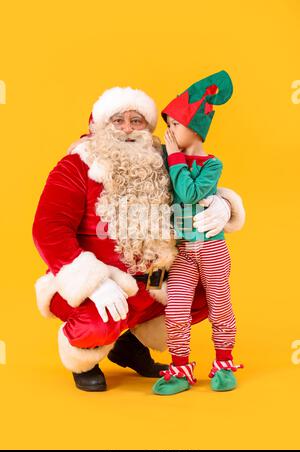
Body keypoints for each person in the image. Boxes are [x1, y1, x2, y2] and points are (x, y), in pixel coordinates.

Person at [32, 86, 246, 392]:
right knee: (98, 322)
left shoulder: (160, 161)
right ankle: (85, 359)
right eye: (118, 120)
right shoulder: (76, 167)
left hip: (153, 280)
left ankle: (129, 345)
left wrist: (223, 204)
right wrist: (94, 282)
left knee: (202, 291)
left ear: (148, 128)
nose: (128, 129)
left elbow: (196, 187)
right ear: (99, 126)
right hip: (100, 285)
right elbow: (48, 229)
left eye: (137, 121)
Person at [152, 71, 244, 396]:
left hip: (212, 249)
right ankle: (179, 367)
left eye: (174, 125)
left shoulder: (212, 165)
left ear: (194, 129)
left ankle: (223, 361)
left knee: (220, 303)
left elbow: (189, 193)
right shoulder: (168, 162)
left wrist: (175, 156)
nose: (169, 132)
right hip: (181, 250)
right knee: (176, 308)